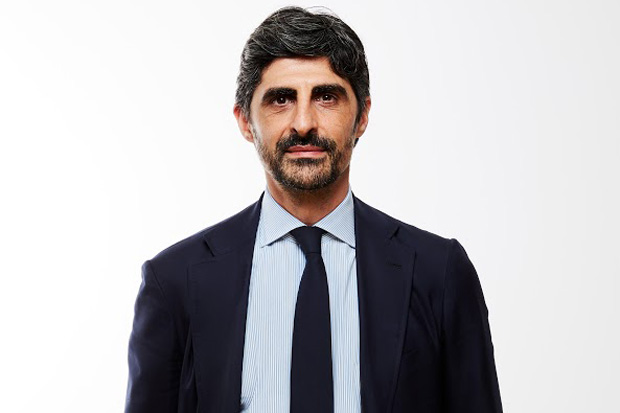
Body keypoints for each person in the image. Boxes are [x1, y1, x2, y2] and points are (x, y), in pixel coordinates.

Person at [125, 6, 503, 413]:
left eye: (326, 97)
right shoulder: (174, 282)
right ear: (245, 122)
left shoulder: (438, 273)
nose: (303, 123)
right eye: (281, 99)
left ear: (362, 117)